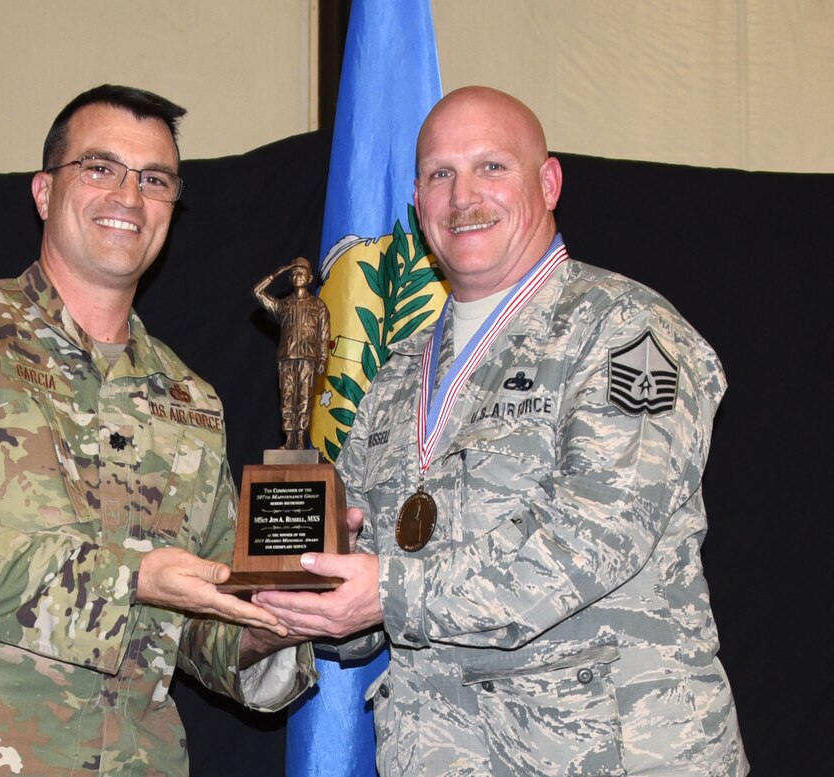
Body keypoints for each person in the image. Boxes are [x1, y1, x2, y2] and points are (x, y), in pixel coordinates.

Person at [255, 86, 748, 776]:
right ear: (418, 201)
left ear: (547, 183)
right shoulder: (397, 376)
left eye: (492, 167)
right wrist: (291, 596)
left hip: (614, 752)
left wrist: (387, 590)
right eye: (440, 174)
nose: (464, 197)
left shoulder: (629, 332)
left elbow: (598, 533)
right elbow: (364, 580)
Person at [0, 84, 315, 777]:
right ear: (42, 192)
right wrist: (137, 576)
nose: (128, 196)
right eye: (99, 168)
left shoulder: (191, 400)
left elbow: (198, 623)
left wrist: (279, 613)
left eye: (154, 179)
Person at [253, 257, 331, 449]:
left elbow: (324, 335)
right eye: (294, 273)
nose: (298, 276)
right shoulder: (284, 305)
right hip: (287, 358)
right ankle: (289, 440)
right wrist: (278, 271)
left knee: (304, 400)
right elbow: (257, 292)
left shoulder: (318, 306)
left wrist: (322, 358)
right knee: (287, 399)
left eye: (302, 272)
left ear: (310, 277)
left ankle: (301, 440)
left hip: (308, 359)